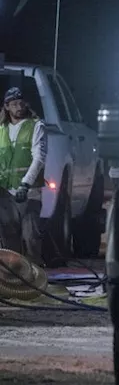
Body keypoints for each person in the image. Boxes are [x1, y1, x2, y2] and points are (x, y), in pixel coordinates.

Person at [1, 87, 48, 265]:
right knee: (9, 242)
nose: (19, 107)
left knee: (31, 239)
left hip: (29, 193)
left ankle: (35, 282)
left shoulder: (36, 126)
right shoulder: (1, 129)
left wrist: (25, 184)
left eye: (21, 103)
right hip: (5, 194)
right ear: (6, 107)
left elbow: (39, 157)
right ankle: (14, 284)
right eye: (14, 104)